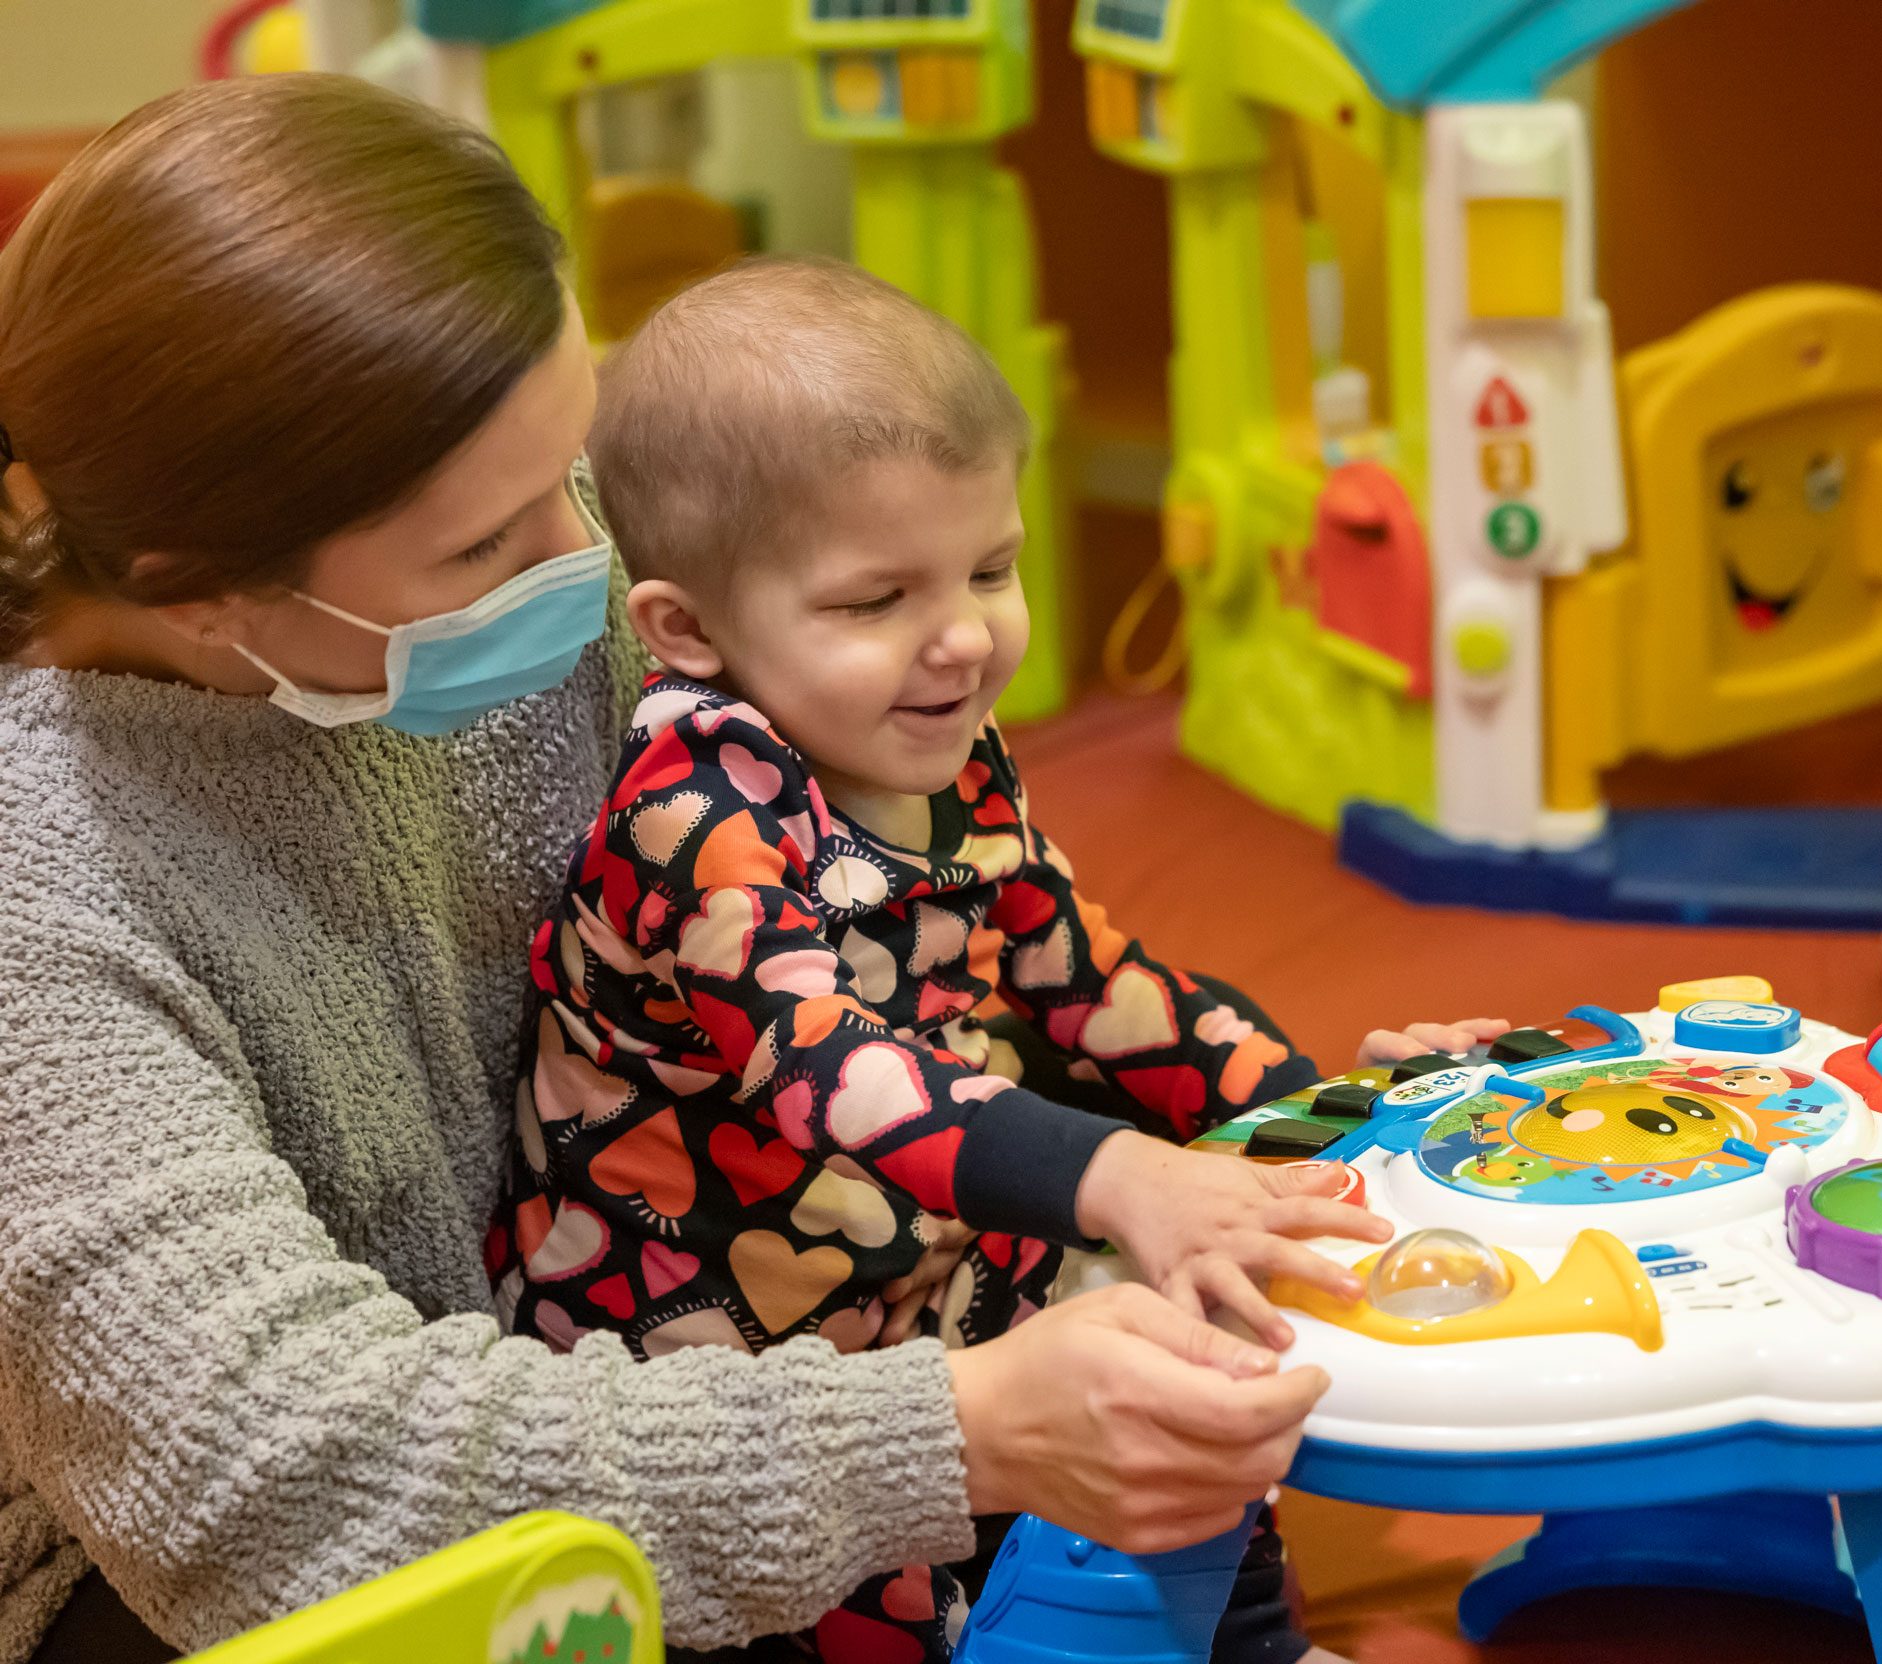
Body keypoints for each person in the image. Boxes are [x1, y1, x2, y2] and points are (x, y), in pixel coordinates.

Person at [0, 76, 1358, 1664]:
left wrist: (1300, 1132)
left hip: (680, 1329)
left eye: (570, 471)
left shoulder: (535, 600)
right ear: (198, 589)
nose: (589, 572)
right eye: (487, 546)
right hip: (240, 1569)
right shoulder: (48, 904)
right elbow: (278, 1488)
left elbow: (942, 953)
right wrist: (954, 1429)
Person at [492, 256, 1497, 1664]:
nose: (962, 635)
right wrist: (1113, 1172)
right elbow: (827, 1074)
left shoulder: (939, 751)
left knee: (1184, 1380)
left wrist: (1331, 1112)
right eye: (874, 600)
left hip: (941, 1251)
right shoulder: (687, 812)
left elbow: (1091, 982)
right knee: (900, 1588)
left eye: (989, 567)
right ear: (690, 630)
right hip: (718, 1340)